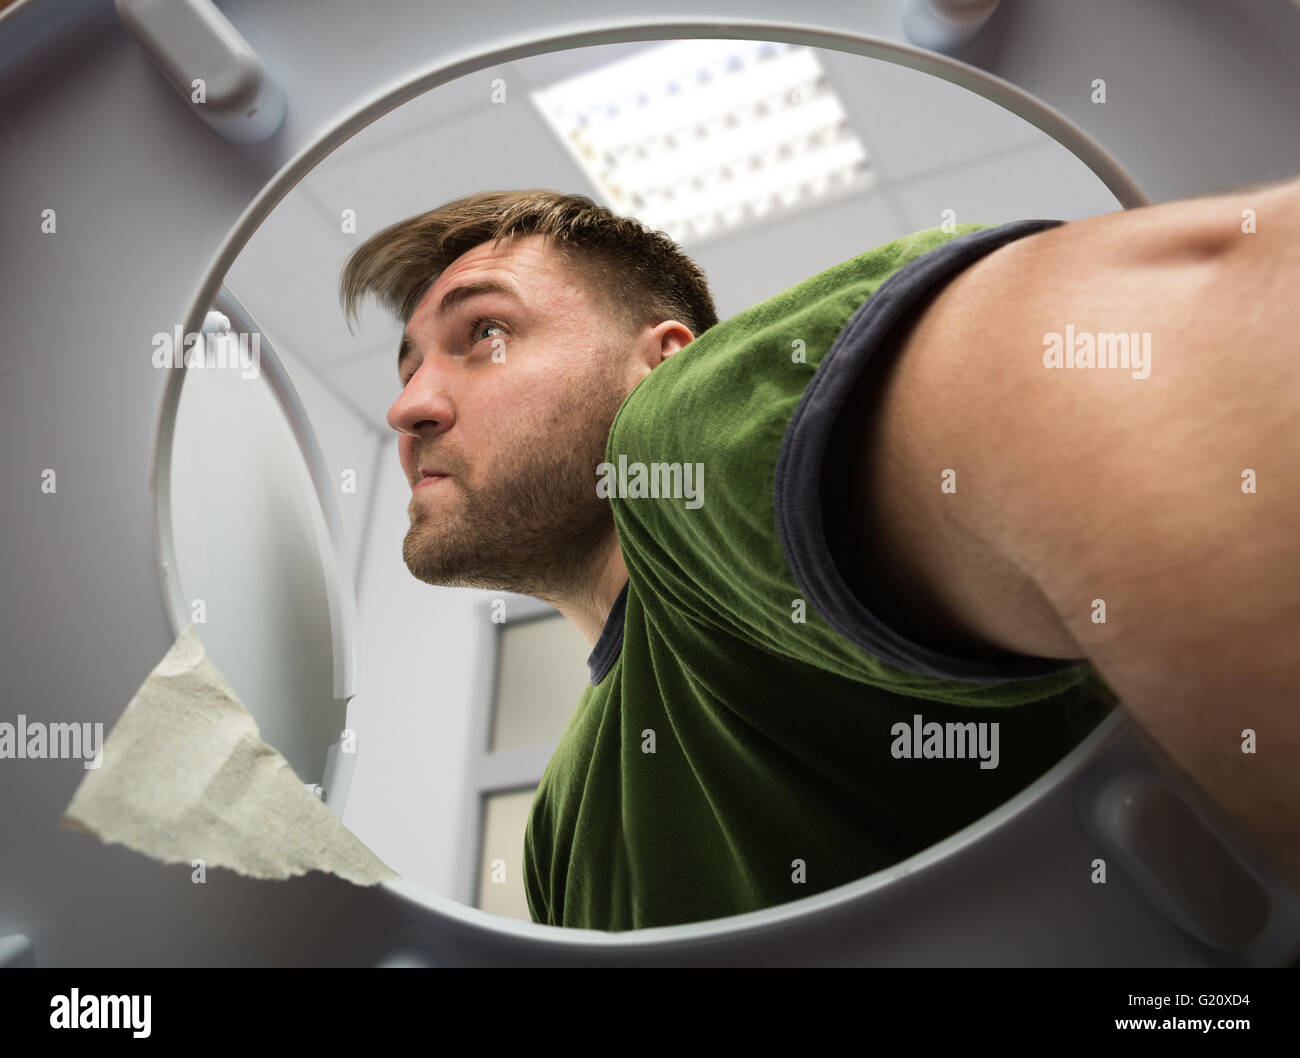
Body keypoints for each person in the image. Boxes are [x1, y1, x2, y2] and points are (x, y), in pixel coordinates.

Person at [339, 182, 1300, 930]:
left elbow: (1222, 309)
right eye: (410, 365)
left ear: (662, 360)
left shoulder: (677, 442)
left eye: (486, 334)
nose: (410, 408)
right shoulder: (561, 817)